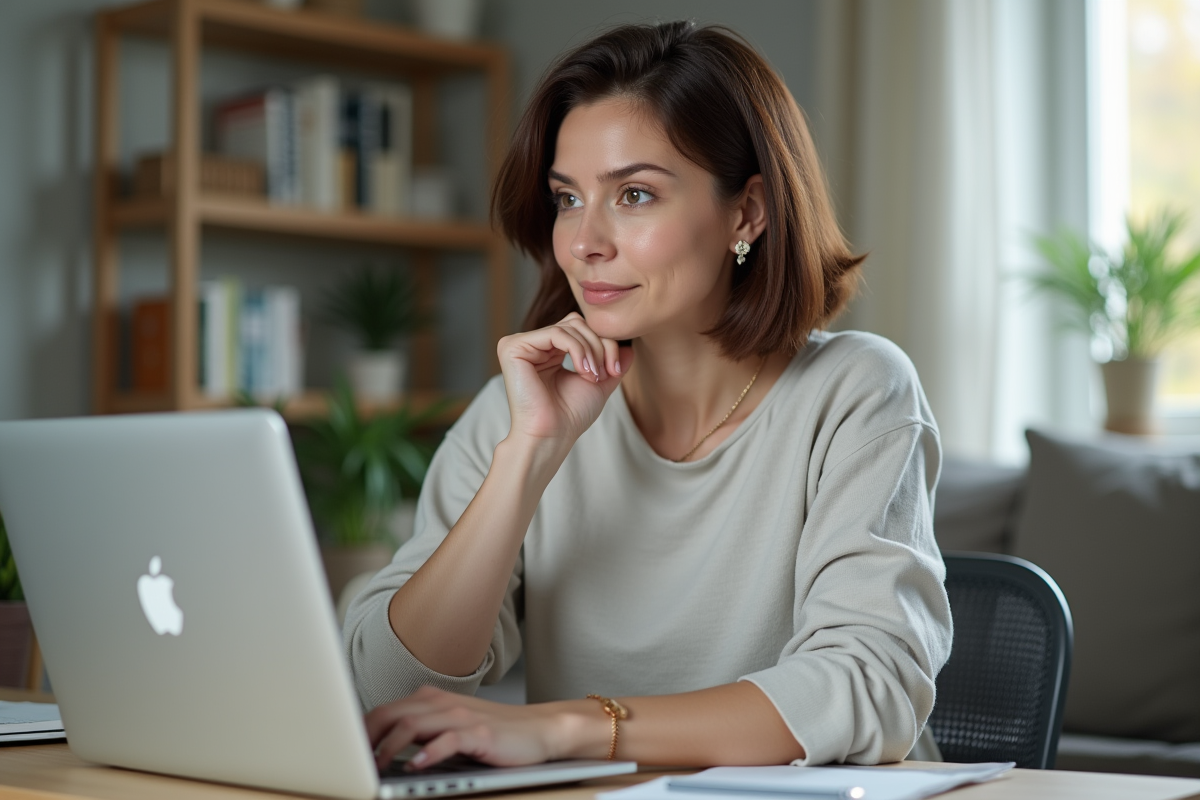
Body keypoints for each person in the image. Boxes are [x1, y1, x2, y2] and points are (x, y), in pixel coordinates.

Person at [344, 20, 952, 771]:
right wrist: (528, 457)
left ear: (747, 213)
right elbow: (390, 689)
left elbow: (869, 684)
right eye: (567, 198)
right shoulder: (523, 409)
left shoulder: (857, 391)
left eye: (633, 194)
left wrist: (572, 728)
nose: (584, 242)